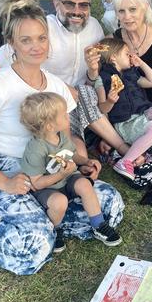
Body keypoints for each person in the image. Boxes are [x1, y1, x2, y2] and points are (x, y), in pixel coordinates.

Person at [0, 0, 123, 275]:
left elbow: (67, 137)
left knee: (110, 206)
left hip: (51, 168)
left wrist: (81, 163)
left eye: (42, 38)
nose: (36, 46)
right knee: (31, 249)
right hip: (11, 169)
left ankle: (7, 227)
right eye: (26, 40)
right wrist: (6, 184)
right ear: (12, 43)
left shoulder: (57, 87)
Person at [0, 0, 132, 158]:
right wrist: (55, 84)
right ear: (56, 4)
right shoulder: (43, 29)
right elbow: (3, 57)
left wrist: (92, 72)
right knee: (80, 153)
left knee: (85, 93)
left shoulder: (94, 27)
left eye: (83, 5)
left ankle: (108, 143)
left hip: (83, 102)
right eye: (69, 4)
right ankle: (120, 147)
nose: (77, 11)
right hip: (49, 105)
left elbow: (93, 80)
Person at [20, 92, 122, 250]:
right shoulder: (36, 149)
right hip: (47, 189)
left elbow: (72, 155)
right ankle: (54, 230)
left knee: (84, 184)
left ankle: (98, 225)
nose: (68, 116)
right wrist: (61, 174)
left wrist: (86, 161)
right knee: (59, 202)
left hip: (66, 180)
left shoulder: (60, 135)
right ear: (49, 126)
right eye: (63, 115)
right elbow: (37, 183)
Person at [97, 38, 152, 180]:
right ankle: (125, 162)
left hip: (139, 115)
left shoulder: (130, 74)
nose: (130, 57)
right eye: (126, 54)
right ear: (113, 58)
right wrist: (111, 101)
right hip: (124, 123)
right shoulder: (104, 78)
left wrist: (141, 63)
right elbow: (103, 109)